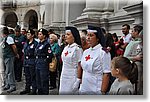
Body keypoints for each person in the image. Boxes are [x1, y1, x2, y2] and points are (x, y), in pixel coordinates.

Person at [79, 25, 111, 95]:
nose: (88, 38)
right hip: (84, 87)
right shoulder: (86, 51)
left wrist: (102, 91)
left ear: (98, 38)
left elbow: (107, 74)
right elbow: (83, 70)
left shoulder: (103, 52)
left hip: (96, 88)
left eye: (91, 35)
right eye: (87, 35)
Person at [59, 26, 83, 95]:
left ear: (74, 36)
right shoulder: (66, 48)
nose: (66, 36)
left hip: (72, 76)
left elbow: (79, 65)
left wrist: (78, 80)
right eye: (66, 34)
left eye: (68, 34)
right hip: (64, 75)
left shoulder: (77, 49)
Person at [124, 25, 143, 94]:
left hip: (138, 68)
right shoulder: (133, 42)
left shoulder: (135, 43)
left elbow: (125, 57)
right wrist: (135, 58)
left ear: (137, 32)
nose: (131, 33)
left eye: (132, 31)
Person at [35, 28, 53, 95]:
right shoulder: (38, 43)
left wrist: (45, 62)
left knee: (44, 80)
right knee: (38, 80)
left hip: (43, 63)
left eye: (40, 34)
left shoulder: (46, 44)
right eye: (38, 34)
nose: (39, 35)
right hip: (38, 62)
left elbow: (50, 55)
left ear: (44, 36)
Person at [20, 29, 38, 95]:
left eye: (29, 34)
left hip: (32, 61)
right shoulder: (26, 42)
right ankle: (27, 88)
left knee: (33, 76)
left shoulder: (35, 43)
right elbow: (24, 51)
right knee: (27, 76)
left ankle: (34, 90)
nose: (27, 35)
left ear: (32, 35)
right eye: (27, 34)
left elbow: (36, 52)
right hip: (26, 61)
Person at [1, 27, 19, 93]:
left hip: (9, 57)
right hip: (4, 57)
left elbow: (14, 47)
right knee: (5, 71)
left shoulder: (9, 38)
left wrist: (16, 54)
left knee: (10, 72)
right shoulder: (3, 38)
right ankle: (7, 84)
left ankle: (12, 85)